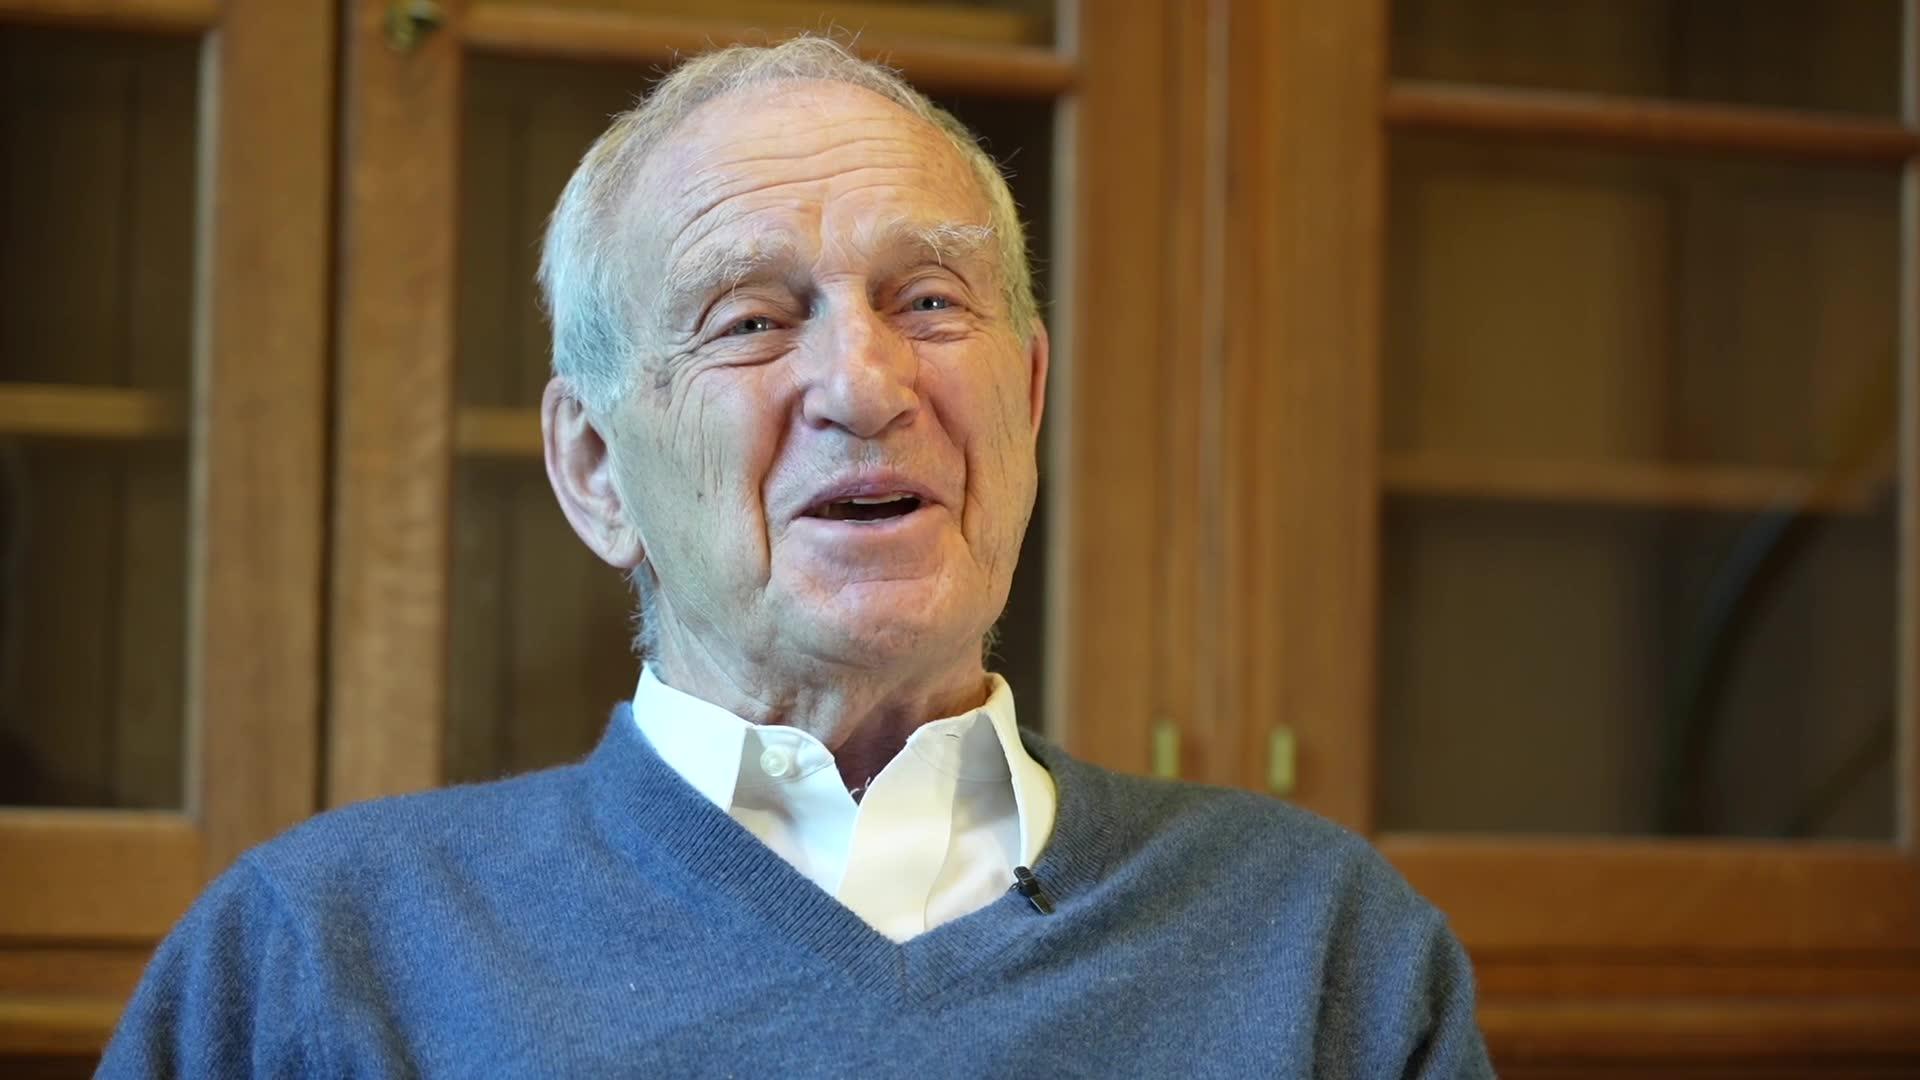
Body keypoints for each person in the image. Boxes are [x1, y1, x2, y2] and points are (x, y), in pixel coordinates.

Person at [99, 37, 1493, 1078]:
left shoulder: (1325, 950)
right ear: (595, 469)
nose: (866, 386)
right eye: (753, 322)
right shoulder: (318, 960)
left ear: (1027, 399)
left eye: (929, 301)